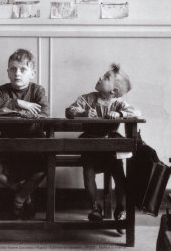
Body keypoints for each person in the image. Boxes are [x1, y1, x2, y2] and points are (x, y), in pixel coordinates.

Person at [65, 63, 140, 231]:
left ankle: (121, 210)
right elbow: (69, 111)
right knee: (88, 171)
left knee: (120, 176)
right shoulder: (87, 99)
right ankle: (95, 207)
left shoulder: (119, 103)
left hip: (110, 147)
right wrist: (82, 113)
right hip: (90, 145)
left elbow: (136, 113)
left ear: (114, 91)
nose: (100, 78)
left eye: (106, 78)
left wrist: (120, 114)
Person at [0, 49, 49, 219]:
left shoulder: (38, 91)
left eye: (22, 69)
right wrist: (18, 103)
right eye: (12, 69)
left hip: (34, 142)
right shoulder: (2, 91)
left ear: (32, 74)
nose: (17, 73)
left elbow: (44, 115)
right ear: (8, 72)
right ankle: (25, 195)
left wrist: (9, 110)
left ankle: (20, 198)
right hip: (8, 143)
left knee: (44, 167)